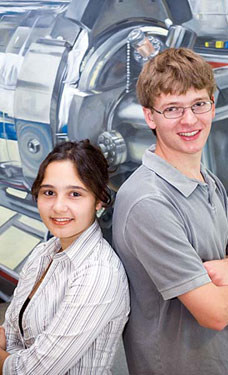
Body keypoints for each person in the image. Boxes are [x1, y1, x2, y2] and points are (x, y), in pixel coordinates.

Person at [112, 48, 228, 375]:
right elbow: (214, 313)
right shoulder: (148, 202)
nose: (190, 120)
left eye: (199, 104)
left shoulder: (207, 180)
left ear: (213, 107)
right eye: (172, 108)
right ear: (149, 116)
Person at [0, 140, 130, 374]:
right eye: (49, 192)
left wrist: (10, 360)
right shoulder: (44, 252)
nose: (58, 207)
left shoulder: (98, 272)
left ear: (99, 200)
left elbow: (30, 372)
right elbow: (9, 331)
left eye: (75, 194)